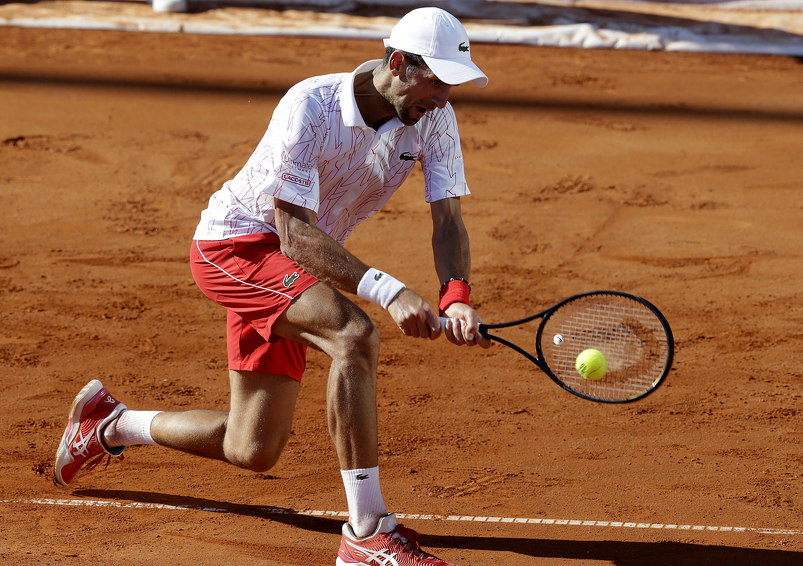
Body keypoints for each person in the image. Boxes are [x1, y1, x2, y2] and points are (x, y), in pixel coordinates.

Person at [53, 7, 490, 566]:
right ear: (399, 63)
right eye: (438, 81)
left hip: (294, 268)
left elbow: (448, 220)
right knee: (353, 336)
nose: (446, 97)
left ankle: (110, 425)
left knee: (251, 447)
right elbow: (294, 234)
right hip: (237, 247)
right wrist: (388, 290)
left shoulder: (434, 119)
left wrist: (456, 294)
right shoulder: (311, 106)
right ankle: (367, 532)